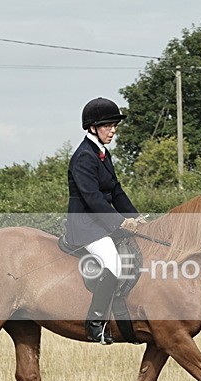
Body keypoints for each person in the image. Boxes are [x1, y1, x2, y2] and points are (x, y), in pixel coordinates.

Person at [66, 97, 143, 344]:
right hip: (85, 225)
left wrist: (136, 218)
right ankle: (96, 323)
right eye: (108, 125)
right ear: (92, 127)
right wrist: (119, 223)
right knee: (113, 262)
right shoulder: (83, 157)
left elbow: (116, 191)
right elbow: (92, 198)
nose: (113, 130)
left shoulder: (101, 153)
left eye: (114, 125)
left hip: (100, 222)